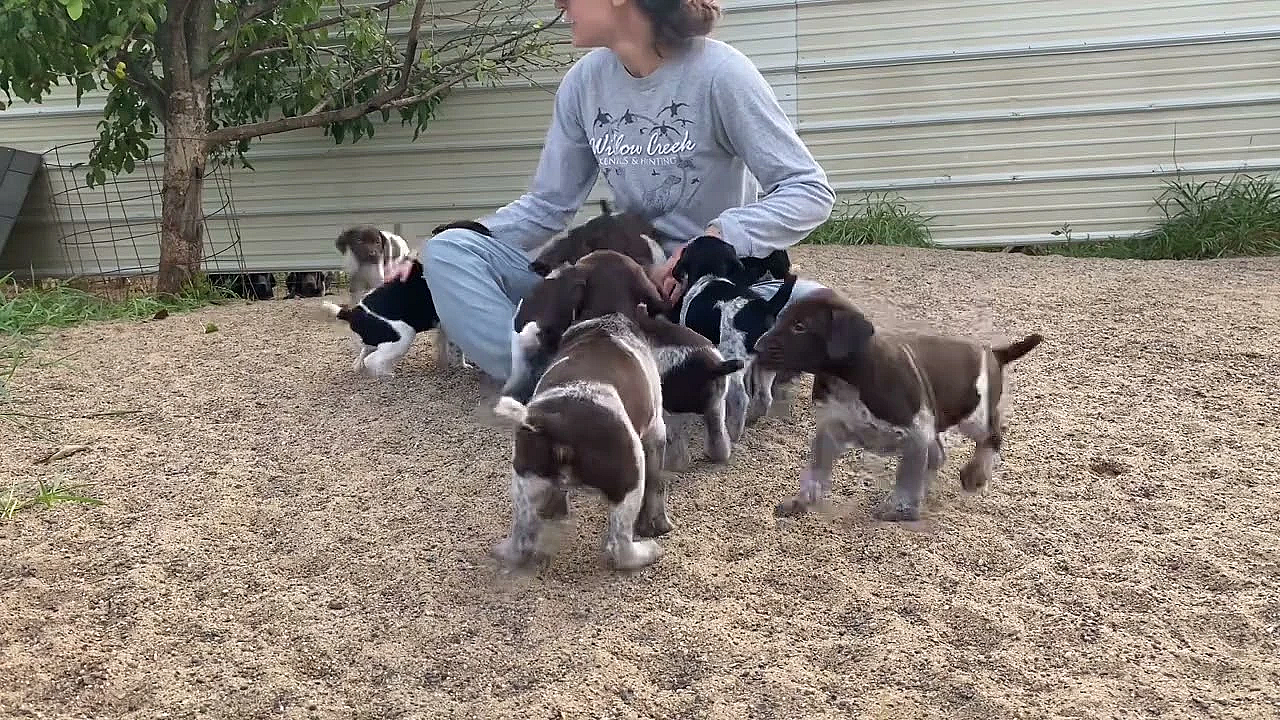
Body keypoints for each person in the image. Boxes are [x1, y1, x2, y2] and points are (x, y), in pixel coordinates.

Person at [391, 0, 836, 383]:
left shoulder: (722, 73)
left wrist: (718, 235)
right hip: (615, 284)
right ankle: (551, 377)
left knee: (821, 318)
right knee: (449, 251)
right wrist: (433, 255)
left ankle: (627, 367)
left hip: (703, 287)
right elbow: (547, 205)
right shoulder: (583, 84)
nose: (558, 5)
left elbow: (808, 189)